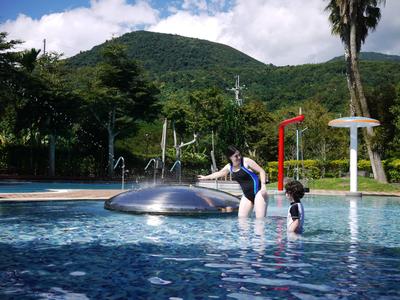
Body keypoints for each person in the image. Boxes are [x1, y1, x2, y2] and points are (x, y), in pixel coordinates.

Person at [198, 145, 268, 218]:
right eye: (236, 156)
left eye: (239, 155)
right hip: (247, 196)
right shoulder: (229, 167)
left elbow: (261, 171)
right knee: (242, 221)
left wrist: (263, 186)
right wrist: (205, 177)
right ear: (230, 157)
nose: (239, 157)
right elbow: (218, 173)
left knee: (260, 221)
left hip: (259, 192)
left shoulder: (245, 161)